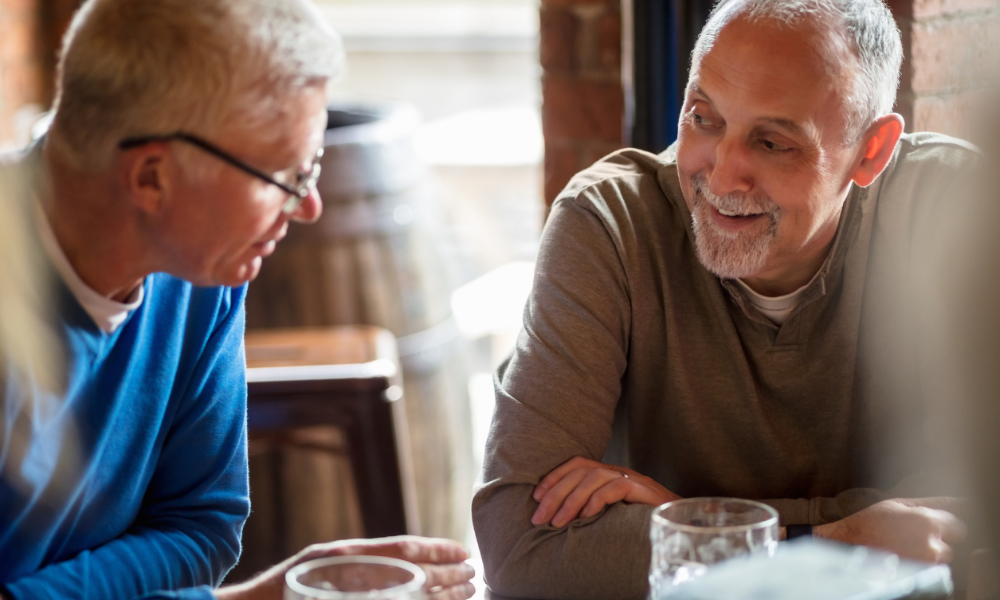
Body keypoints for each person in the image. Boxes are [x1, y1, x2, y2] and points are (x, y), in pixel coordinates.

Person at [472, 0, 976, 597]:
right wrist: (839, 544)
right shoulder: (609, 224)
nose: (723, 175)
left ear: (870, 151)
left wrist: (691, 529)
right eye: (704, 119)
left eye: (772, 143)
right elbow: (520, 551)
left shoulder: (955, 211)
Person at [0, 1, 474, 599]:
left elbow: (201, 529)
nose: (308, 207)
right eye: (287, 177)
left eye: (315, 167)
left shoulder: (202, 273)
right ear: (152, 178)